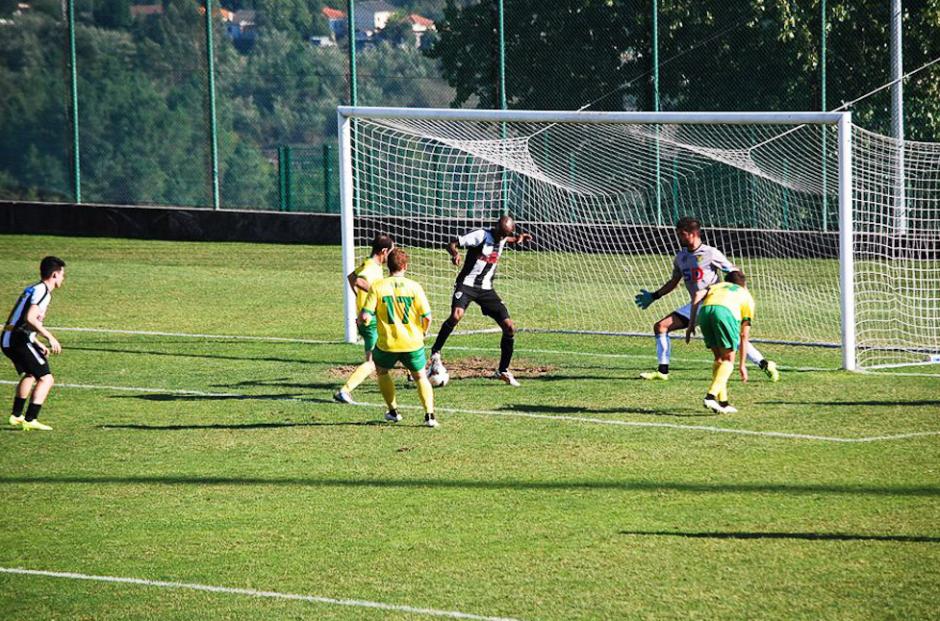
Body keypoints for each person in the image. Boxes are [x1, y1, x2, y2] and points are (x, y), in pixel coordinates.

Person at [634, 216, 778, 382]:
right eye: (678, 234)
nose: (679, 238)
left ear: (693, 233)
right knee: (661, 327)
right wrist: (654, 296)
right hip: (696, 304)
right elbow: (674, 281)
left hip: (715, 303)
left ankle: (765, 364)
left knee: (734, 339)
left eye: (682, 234)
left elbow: (734, 272)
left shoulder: (711, 253)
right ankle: (662, 371)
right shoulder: (681, 257)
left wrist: (741, 295)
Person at [427, 215, 532, 387]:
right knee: (456, 316)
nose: (501, 237)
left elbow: (508, 239)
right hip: (466, 284)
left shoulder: (504, 238)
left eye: (505, 235)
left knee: (509, 327)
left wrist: (518, 239)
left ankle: (503, 370)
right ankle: (436, 351)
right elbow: (452, 243)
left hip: (486, 289)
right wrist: (455, 254)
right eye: (500, 233)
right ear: (496, 227)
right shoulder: (481, 235)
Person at [361, 248, 438, 427]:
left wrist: (363, 322)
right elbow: (427, 316)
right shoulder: (414, 286)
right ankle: (429, 416)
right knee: (420, 376)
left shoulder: (378, 286)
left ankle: (393, 411)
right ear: (405, 266)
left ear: (388, 265)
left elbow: (365, 315)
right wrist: (424, 331)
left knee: (381, 371)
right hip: (412, 342)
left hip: (387, 344)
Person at [3, 256, 66, 431]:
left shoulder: (33, 289)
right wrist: (50, 337)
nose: (63, 279)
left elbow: (19, 320)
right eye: (62, 275)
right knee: (46, 378)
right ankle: (30, 419)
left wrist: (35, 342)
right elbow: (29, 318)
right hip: (17, 340)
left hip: (11, 338)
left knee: (31, 374)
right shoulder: (43, 291)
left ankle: (16, 416)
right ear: (54, 274)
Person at [334, 234, 395, 404]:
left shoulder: (368, 264)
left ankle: (412, 373)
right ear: (384, 251)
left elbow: (351, 277)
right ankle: (345, 391)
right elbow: (359, 280)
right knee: (372, 362)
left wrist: (361, 300)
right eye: (390, 251)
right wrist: (376, 292)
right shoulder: (372, 267)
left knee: (387, 351)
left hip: (367, 317)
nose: (391, 255)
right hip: (371, 319)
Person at [685, 270, 755, 414]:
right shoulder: (746, 296)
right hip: (725, 313)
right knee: (729, 360)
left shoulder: (718, 286)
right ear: (744, 284)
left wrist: (691, 324)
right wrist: (742, 365)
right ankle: (710, 397)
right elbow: (743, 335)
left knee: (719, 359)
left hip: (704, 311)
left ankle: (723, 403)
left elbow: (698, 295)